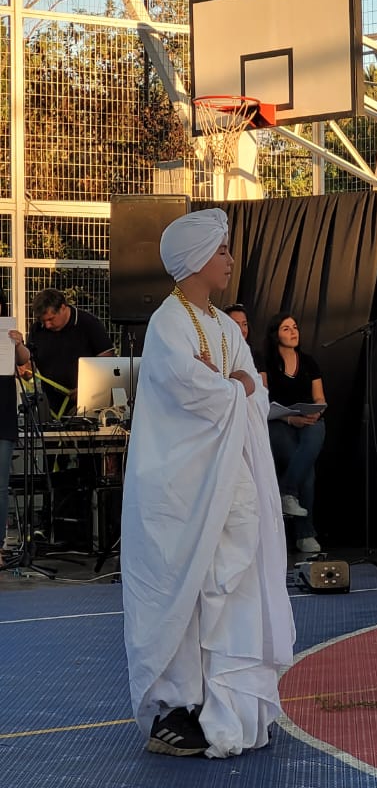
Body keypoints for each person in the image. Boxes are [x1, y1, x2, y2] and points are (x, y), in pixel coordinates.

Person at [121, 208, 295, 758]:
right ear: (195, 259)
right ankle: (179, 708)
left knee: (231, 586)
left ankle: (228, 703)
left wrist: (231, 385)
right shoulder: (167, 324)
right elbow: (188, 390)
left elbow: (252, 392)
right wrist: (234, 386)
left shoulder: (222, 326)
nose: (230, 260)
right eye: (221, 251)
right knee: (184, 590)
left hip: (228, 482)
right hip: (181, 489)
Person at [260, 313, 326, 557]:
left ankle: (287, 492)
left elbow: (319, 397)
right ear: (275, 334)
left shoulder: (308, 362)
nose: (293, 332)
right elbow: (262, 402)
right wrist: (289, 418)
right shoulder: (267, 363)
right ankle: (305, 534)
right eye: (286, 328)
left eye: (295, 327)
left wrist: (317, 411)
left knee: (318, 429)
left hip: (308, 420)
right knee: (306, 469)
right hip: (279, 422)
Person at [28, 288, 114, 417]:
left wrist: (88, 389)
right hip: (51, 405)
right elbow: (30, 365)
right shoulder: (37, 329)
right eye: (43, 321)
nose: (47, 325)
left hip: (86, 405)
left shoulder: (89, 323)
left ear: (63, 308)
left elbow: (107, 361)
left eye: (51, 319)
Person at [0, 289, 31, 562]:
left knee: (0, 486)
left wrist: (19, 343)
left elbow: (24, 360)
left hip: (3, 416)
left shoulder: (6, 333)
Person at [224, 302, 265, 378]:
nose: (242, 330)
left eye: (244, 324)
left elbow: (263, 382)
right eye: (235, 324)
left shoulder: (256, 356)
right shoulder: (218, 352)